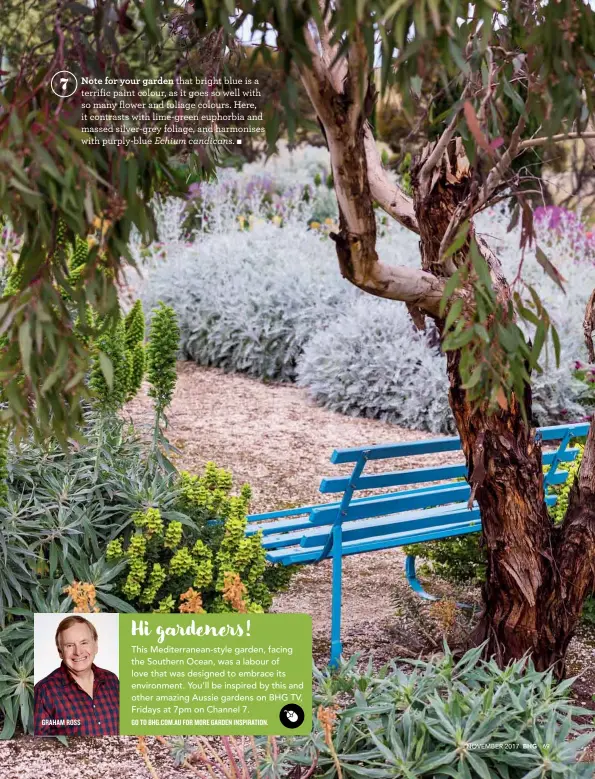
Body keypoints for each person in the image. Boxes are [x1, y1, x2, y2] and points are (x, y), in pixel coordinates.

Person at [34, 615, 119, 736]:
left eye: (84, 642)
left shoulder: (112, 681)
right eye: (69, 645)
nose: (78, 652)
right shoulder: (44, 691)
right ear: (60, 652)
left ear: (95, 645)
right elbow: (39, 746)